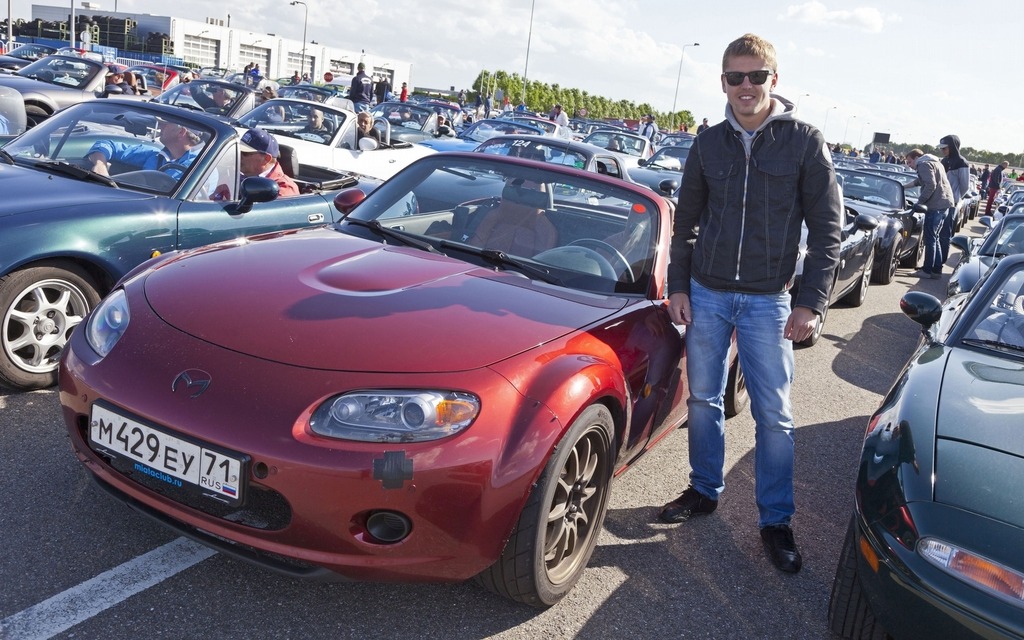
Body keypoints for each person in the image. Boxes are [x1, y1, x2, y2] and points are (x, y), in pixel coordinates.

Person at [660, 33, 842, 575]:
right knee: (702, 402)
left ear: (774, 82)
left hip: (770, 301)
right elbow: (685, 224)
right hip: (710, 294)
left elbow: (828, 231)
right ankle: (703, 490)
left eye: (756, 77)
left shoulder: (805, 142)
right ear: (723, 82)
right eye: (735, 77)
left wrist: (811, 303)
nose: (746, 86)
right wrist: (679, 286)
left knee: (775, 416)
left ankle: (775, 521)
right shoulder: (708, 143)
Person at [85, 118, 205, 181]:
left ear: (181, 132)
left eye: (166, 124)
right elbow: (106, 144)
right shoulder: (155, 154)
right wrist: (100, 165)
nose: (160, 127)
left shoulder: (200, 167)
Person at [905, 148, 954, 279]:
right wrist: (904, 186)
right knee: (935, 238)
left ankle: (927, 271)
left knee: (930, 239)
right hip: (945, 204)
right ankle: (936, 269)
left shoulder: (923, 164)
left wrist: (919, 202)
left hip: (935, 205)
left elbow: (930, 185)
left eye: (910, 162)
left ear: (916, 158)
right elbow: (921, 181)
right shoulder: (934, 162)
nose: (909, 165)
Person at [239, 127, 299, 197]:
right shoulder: (233, 175)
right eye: (237, 150)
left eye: (244, 153)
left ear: (266, 159)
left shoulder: (284, 190)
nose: (238, 155)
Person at [939, 135, 970, 263]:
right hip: (939, 201)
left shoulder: (962, 162)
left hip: (951, 203)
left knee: (945, 234)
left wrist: (955, 198)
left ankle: (939, 263)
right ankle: (934, 262)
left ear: (952, 147)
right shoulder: (944, 161)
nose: (942, 150)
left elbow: (965, 186)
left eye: (945, 148)